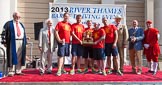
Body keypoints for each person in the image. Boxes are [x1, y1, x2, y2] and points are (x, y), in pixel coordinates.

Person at [3, 12, 27, 76]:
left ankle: (18, 71)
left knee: (20, 56)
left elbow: (24, 34)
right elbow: (3, 32)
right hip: (12, 42)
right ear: (13, 16)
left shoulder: (21, 24)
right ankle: (11, 71)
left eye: (19, 17)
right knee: (11, 56)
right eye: (16, 16)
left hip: (21, 42)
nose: (18, 18)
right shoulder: (8, 24)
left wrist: (25, 42)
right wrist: (4, 42)